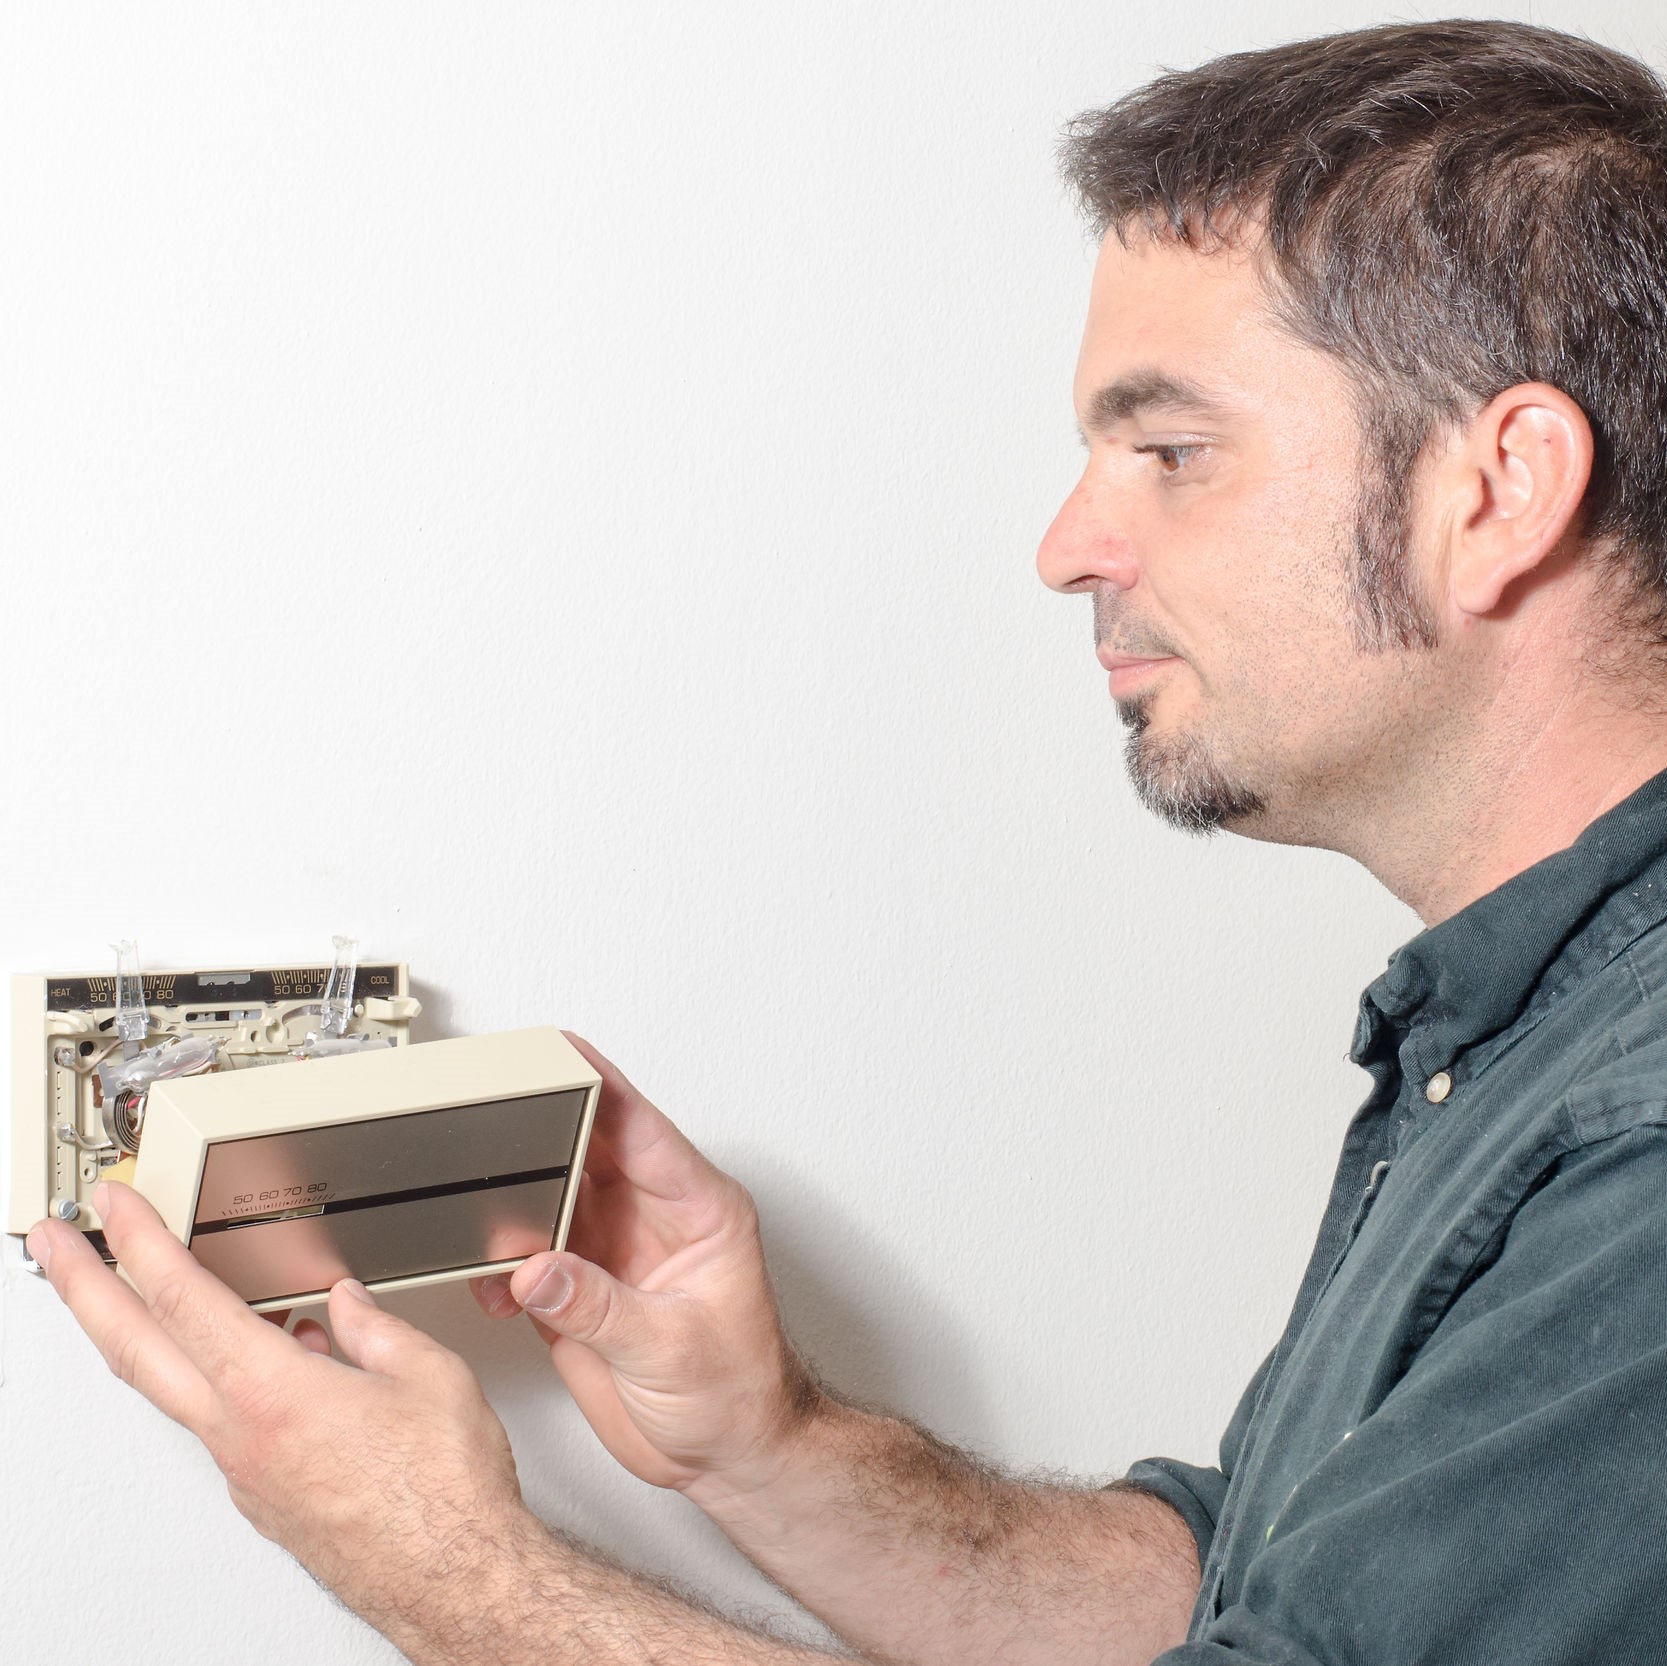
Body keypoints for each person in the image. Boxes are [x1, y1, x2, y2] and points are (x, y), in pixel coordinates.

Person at [27, 18, 1667, 1664]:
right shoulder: (1515, 1027)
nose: (1067, 544)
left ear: (1499, 488)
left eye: (1172, 453)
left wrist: (450, 1570)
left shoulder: (1647, 1122)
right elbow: (1258, 1601)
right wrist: (772, 1445)